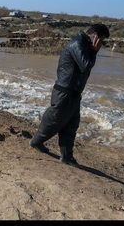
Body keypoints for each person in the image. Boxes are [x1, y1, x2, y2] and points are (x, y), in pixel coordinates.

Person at [29, 23, 110, 167]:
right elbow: (85, 66)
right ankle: (36, 142)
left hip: (73, 92)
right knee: (54, 120)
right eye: (101, 40)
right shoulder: (77, 44)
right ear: (95, 36)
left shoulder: (84, 44)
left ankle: (66, 156)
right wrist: (94, 51)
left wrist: (92, 50)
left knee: (71, 126)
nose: (101, 44)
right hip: (64, 92)